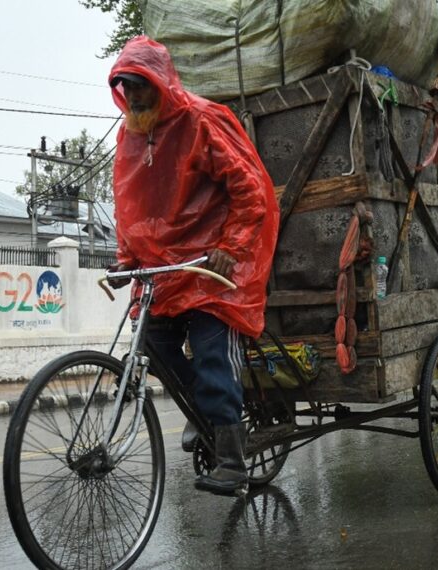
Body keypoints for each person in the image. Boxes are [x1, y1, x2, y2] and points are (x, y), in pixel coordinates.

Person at [105, 36, 279, 496]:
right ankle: (205, 416)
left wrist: (232, 244)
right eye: (126, 85)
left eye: (141, 84)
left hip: (211, 268)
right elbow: (128, 207)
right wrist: (126, 260)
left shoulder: (200, 122)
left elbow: (251, 191)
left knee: (210, 355)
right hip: (164, 272)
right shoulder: (129, 135)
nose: (135, 95)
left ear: (160, 82)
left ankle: (233, 459)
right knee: (155, 351)